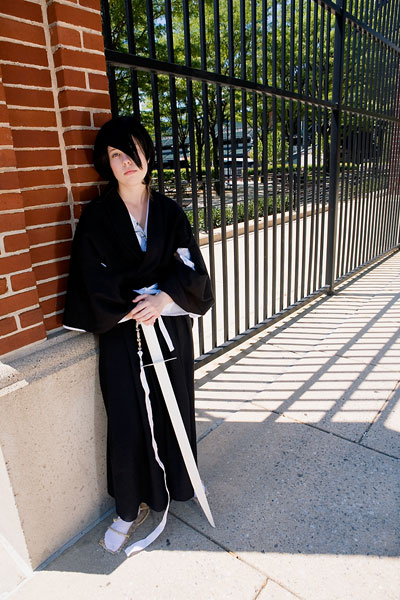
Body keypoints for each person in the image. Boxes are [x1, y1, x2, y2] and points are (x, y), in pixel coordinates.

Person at [63, 115, 214, 555]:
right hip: (123, 335)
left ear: (147, 154)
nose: (127, 161)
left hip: (168, 329)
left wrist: (163, 298)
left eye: (133, 151)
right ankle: (129, 508)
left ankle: (180, 483)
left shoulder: (170, 213)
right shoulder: (97, 218)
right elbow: (90, 280)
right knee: (127, 419)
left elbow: (192, 271)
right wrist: (136, 303)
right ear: (105, 163)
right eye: (116, 155)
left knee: (175, 408)